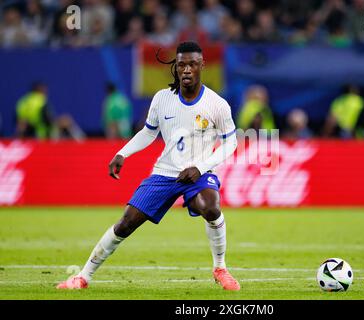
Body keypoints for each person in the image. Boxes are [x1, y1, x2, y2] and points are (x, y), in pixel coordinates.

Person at [56, 41, 241, 291]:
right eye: (182, 64)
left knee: (210, 207)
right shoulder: (163, 99)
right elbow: (148, 132)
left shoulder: (217, 104)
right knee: (126, 223)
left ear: (202, 66)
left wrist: (201, 167)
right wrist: (122, 153)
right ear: (176, 67)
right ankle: (83, 277)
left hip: (200, 173)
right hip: (165, 174)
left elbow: (231, 144)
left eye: (192, 65)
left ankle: (220, 268)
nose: (187, 70)